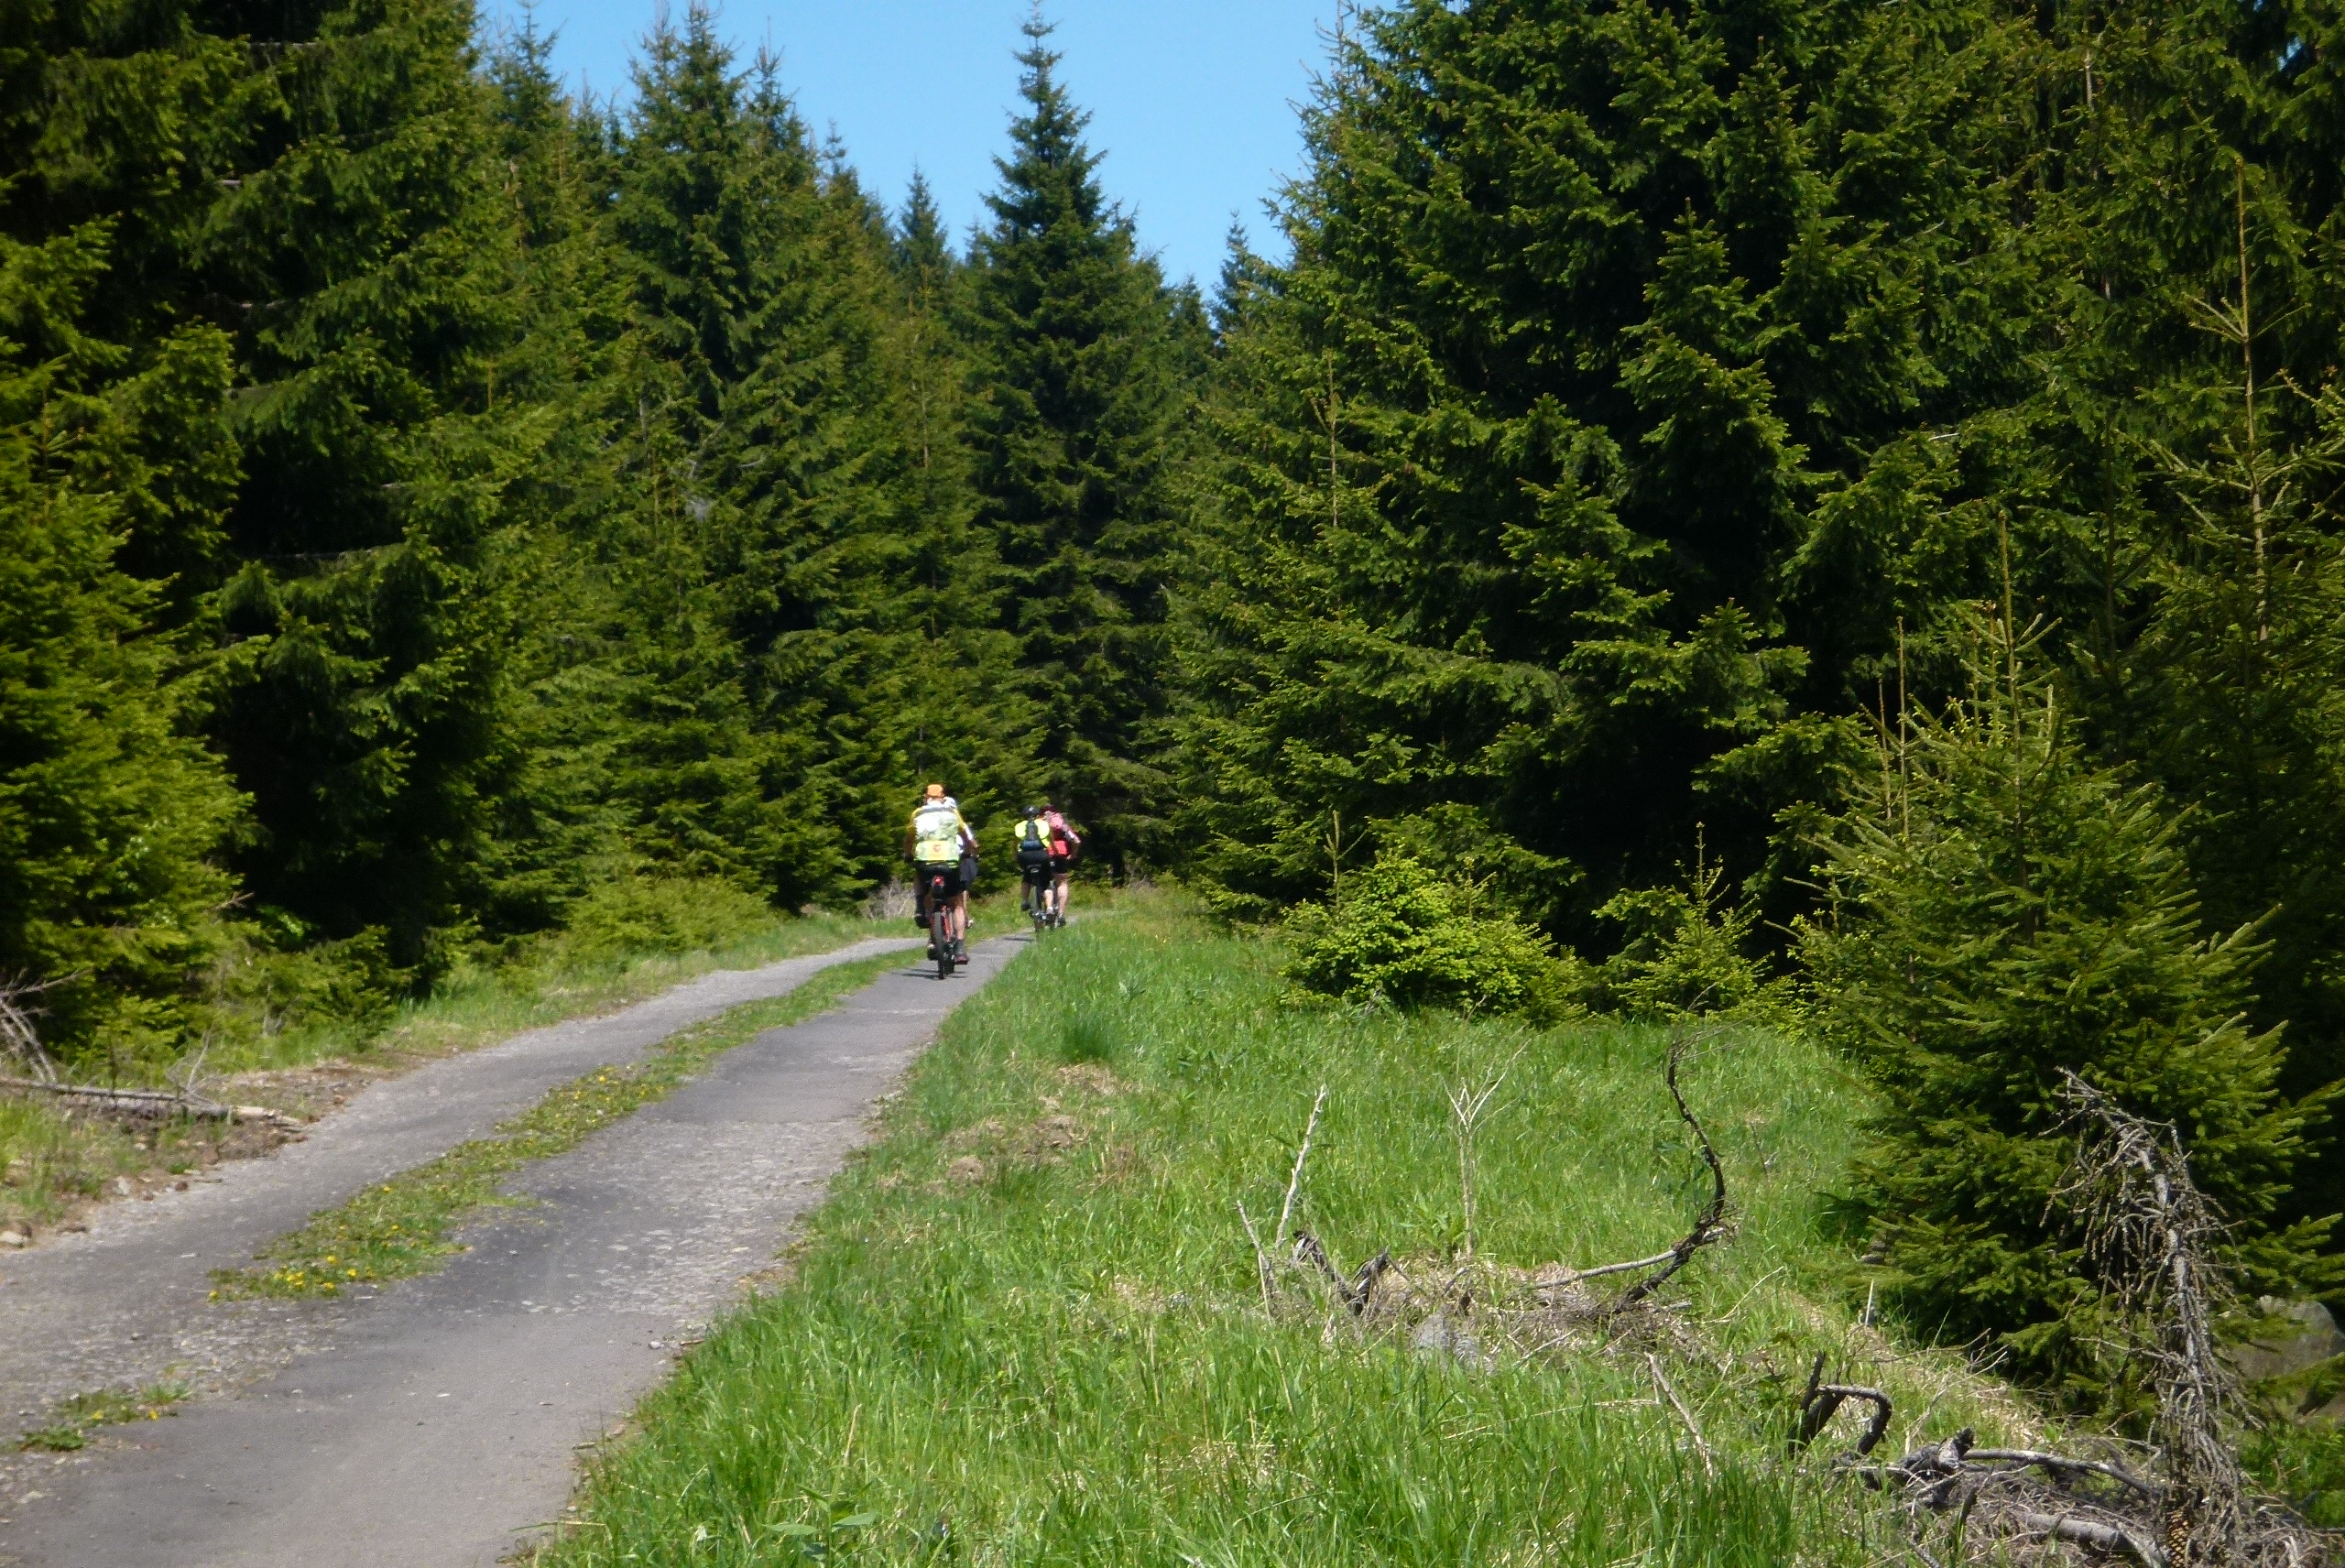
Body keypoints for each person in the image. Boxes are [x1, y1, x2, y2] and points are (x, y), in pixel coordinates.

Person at [904, 783, 977, 959]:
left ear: (926, 798)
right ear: (943, 797)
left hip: (925, 860)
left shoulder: (918, 814)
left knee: (922, 880)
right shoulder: (952, 813)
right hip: (949, 860)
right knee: (957, 903)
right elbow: (966, 836)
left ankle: (921, 907)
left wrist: (908, 855)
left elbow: (909, 839)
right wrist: (969, 851)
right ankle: (960, 948)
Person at [1014, 805, 1056, 924]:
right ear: (1038, 815)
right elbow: (1051, 841)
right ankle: (1049, 908)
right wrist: (1056, 852)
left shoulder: (1019, 826)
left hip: (1025, 856)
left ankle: (1025, 901)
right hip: (1041, 855)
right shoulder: (1044, 824)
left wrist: (1016, 857)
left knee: (1026, 877)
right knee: (1046, 882)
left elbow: (1015, 844)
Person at [1042, 803, 1081, 926]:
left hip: (1043, 854)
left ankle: (1048, 908)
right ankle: (1061, 914)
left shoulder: (1039, 822)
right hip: (1060, 853)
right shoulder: (1061, 823)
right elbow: (1076, 841)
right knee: (1062, 883)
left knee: (1045, 882)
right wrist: (1073, 855)